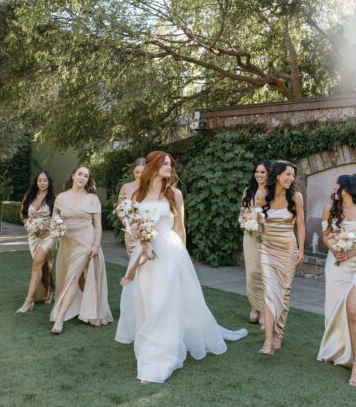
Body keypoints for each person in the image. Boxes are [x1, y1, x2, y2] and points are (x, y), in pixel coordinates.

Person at [115, 150, 247, 384]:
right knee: (147, 302)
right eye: (165, 164)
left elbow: (180, 227)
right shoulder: (137, 193)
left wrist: (183, 257)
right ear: (153, 166)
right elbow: (130, 220)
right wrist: (136, 233)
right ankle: (151, 344)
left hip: (169, 251)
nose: (169, 168)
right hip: (144, 254)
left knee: (163, 304)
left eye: (170, 165)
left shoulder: (174, 194)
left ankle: (160, 360)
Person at [50, 165, 113, 334]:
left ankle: (60, 318)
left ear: (88, 180)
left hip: (86, 241)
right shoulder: (61, 197)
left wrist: (96, 245)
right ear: (73, 175)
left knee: (73, 277)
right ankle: (82, 307)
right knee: (64, 277)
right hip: (67, 242)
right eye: (80, 174)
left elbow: (98, 225)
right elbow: (53, 222)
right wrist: (58, 223)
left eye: (86, 176)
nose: (82, 177)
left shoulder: (92, 198)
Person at [259, 160, 305, 355]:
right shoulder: (261, 196)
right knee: (269, 292)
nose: (291, 178)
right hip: (267, 248)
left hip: (288, 249)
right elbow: (258, 228)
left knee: (283, 294)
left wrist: (301, 250)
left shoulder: (296, 197)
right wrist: (252, 226)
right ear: (277, 175)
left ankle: (279, 333)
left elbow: (300, 225)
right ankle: (268, 341)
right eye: (288, 174)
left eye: (293, 175)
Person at [318, 174, 356, 386]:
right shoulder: (329, 209)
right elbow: (326, 235)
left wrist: (352, 252)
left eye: (338, 184)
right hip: (336, 265)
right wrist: (334, 248)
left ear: (348, 188)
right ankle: (337, 350)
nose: (334, 187)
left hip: (355, 263)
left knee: (353, 310)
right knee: (335, 309)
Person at [16, 170, 56, 313]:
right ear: (36, 181)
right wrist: (28, 223)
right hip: (33, 235)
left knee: (38, 263)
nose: (42, 182)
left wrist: (48, 225)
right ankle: (50, 291)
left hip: (48, 234)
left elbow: (57, 216)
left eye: (45, 180)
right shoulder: (30, 195)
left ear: (49, 182)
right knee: (42, 264)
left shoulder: (53, 198)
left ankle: (29, 301)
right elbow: (23, 214)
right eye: (39, 180)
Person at [241, 160, 271, 327]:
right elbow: (243, 212)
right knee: (252, 272)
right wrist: (250, 226)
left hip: (269, 237)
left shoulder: (274, 193)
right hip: (250, 236)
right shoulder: (249, 191)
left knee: (265, 272)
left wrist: (263, 226)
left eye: (263, 172)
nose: (259, 175)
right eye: (257, 172)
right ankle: (255, 306)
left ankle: (263, 310)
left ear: (269, 174)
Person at [118, 157, 146, 256]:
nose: (139, 175)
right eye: (137, 172)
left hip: (148, 232)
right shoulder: (126, 187)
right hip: (131, 232)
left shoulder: (152, 188)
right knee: (134, 265)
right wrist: (127, 226)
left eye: (142, 172)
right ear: (133, 171)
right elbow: (120, 209)